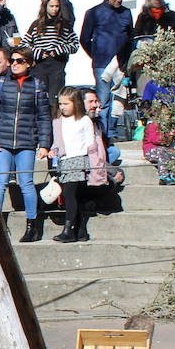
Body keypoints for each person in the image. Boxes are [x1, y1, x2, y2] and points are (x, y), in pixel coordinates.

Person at [0, 47, 52, 242]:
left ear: (29, 63)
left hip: (26, 142)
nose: (14, 64)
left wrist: (44, 144)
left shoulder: (37, 85)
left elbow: (44, 117)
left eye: (19, 61)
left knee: (26, 183)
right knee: (0, 182)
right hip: (2, 141)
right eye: (12, 60)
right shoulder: (1, 83)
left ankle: (32, 226)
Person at [49, 86, 107, 243]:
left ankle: (68, 229)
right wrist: (53, 151)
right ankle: (81, 230)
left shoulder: (84, 120)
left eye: (66, 104)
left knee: (69, 195)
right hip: (64, 161)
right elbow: (57, 140)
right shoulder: (58, 121)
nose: (62, 107)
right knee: (73, 196)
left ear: (75, 103)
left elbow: (90, 143)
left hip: (79, 160)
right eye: (60, 104)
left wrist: (94, 166)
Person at [80, 0, 134, 139]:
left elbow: (131, 36)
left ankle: (113, 133)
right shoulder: (94, 12)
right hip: (102, 63)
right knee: (103, 100)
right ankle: (102, 133)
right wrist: (95, 54)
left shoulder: (126, 13)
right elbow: (84, 38)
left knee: (118, 99)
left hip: (121, 63)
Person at [24, 0, 78, 101]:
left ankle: (54, 117)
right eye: (51, 6)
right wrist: (37, 52)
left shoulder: (65, 25)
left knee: (55, 99)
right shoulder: (36, 25)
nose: (54, 9)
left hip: (57, 65)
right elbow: (24, 44)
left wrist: (60, 50)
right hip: (40, 65)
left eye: (57, 6)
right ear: (46, 7)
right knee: (39, 97)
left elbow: (75, 45)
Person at [143, 117, 175, 185]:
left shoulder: (168, 127)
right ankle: (164, 177)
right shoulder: (152, 126)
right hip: (151, 150)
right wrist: (169, 135)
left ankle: (172, 175)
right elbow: (155, 139)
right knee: (162, 152)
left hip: (164, 149)